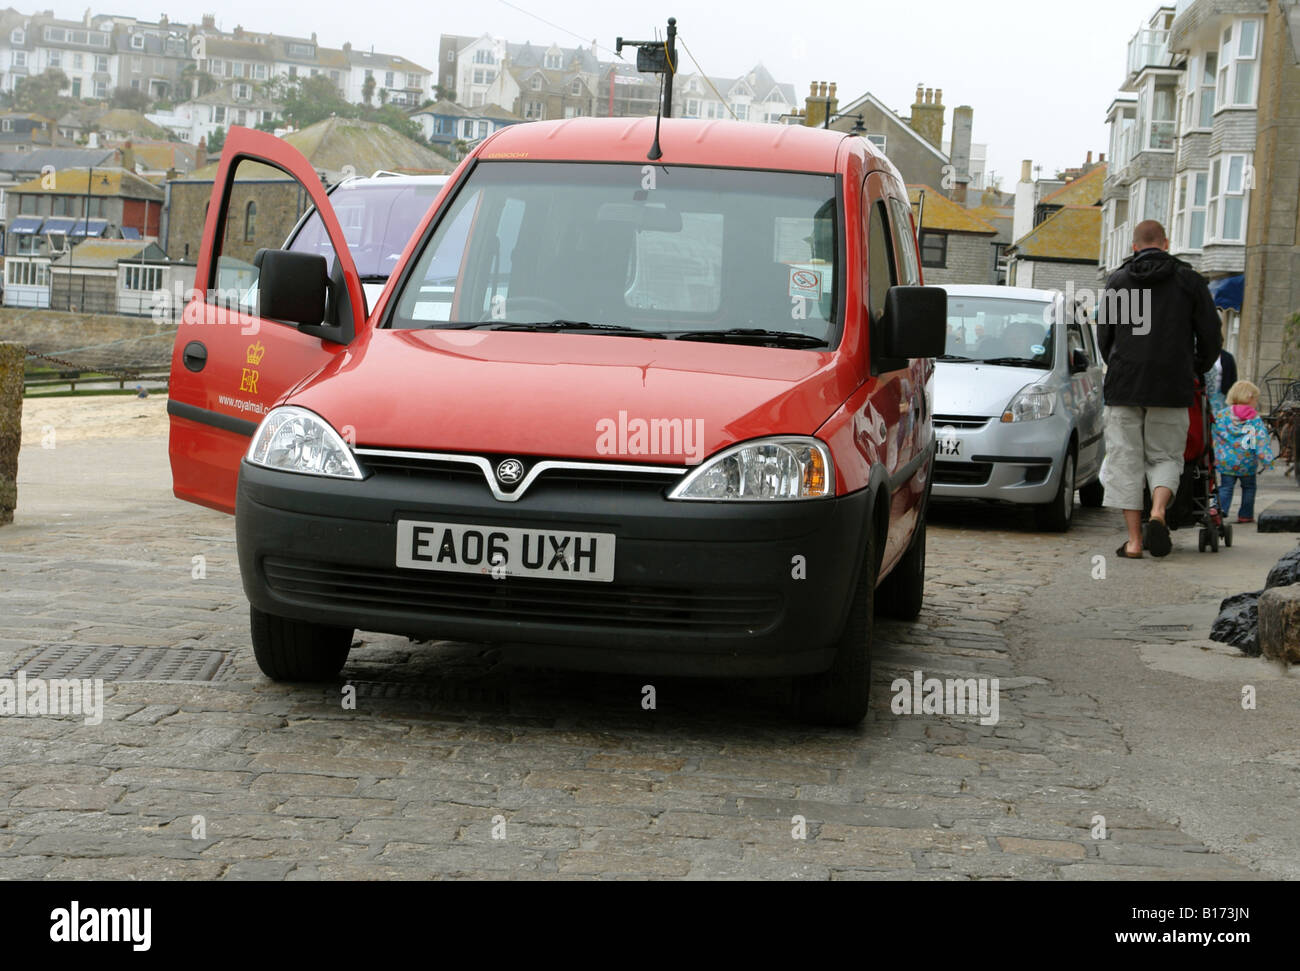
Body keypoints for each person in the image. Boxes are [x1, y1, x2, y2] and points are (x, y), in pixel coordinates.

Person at [1096, 220, 1221, 558]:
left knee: (1125, 460)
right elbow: (1211, 336)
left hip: (1125, 386)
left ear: (1134, 246)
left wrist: (1121, 365)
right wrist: (1196, 367)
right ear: (1165, 243)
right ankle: (1159, 512)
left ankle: (1135, 542)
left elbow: (1105, 337)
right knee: (1165, 456)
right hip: (1172, 385)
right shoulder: (1189, 281)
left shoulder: (1119, 281)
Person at [1213, 380, 1274, 523]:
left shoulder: (1222, 415)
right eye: (1256, 399)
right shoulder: (1254, 418)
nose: (1256, 402)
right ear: (1249, 397)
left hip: (1226, 460)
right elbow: (1261, 440)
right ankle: (1245, 515)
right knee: (1249, 487)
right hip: (1247, 461)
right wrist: (1266, 459)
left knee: (1226, 487)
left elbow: (1215, 434)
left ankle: (1220, 511)